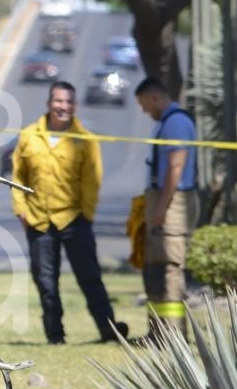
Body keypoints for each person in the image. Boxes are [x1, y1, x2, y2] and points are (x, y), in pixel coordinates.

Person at [11, 81, 126, 344]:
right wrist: (21, 209)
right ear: (49, 103)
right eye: (58, 101)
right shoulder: (29, 135)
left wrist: (86, 215)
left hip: (74, 219)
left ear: (75, 105)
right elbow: (17, 176)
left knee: (90, 278)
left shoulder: (85, 140)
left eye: (68, 102)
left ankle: (109, 331)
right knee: (46, 282)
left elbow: (92, 180)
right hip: (38, 220)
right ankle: (55, 335)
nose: (63, 106)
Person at [134, 77, 199, 339]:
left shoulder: (176, 122)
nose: (143, 110)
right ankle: (157, 331)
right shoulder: (167, 122)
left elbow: (176, 167)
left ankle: (172, 334)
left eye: (143, 104)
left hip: (173, 204)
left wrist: (161, 206)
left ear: (154, 98)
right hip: (163, 202)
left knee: (170, 269)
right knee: (156, 268)